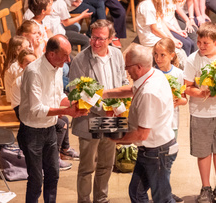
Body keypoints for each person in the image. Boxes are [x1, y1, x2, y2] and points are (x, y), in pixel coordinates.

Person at [102, 43, 178, 202]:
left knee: (162, 198)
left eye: (127, 66)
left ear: (138, 67)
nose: (126, 70)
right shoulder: (153, 74)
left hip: (158, 152)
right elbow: (131, 90)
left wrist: (116, 139)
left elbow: (142, 133)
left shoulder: (149, 93)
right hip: (149, 150)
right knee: (136, 193)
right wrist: (104, 93)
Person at [17, 34, 88, 203]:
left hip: (49, 129)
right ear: (51, 54)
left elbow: (57, 96)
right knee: (35, 179)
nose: (69, 59)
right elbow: (36, 109)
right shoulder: (34, 72)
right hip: (31, 131)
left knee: (53, 174)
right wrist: (66, 112)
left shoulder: (57, 68)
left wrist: (74, 103)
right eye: (65, 55)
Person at [69, 19, 128, 203]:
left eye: (101, 39)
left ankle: (101, 199)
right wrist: (104, 108)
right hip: (90, 118)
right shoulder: (80, 60)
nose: (95, 42)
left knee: (106, 163)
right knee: (87, 167)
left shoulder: (118, 55)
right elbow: (75, 92)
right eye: (93, 37)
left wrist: (120, 106)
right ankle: (84, 201)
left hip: (113, 115)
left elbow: (123, 82)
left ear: (111, 38)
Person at [12, 48, 77, 171]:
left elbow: (50, 96)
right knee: (61, 125)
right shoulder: (23, 79)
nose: (31, 65)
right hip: (24, 112)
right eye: (27, 63)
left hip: (37, 110)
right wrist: (60, 111)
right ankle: (55, 156)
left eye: (34, 62)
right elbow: (33, 108)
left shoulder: (40, 74)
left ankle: (64, 150)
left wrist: (71, 103)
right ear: (21, 65)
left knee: (64, 121)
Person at [184, 22, 216, 203]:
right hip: (200, 112)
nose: (202, 46)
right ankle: (206, 188)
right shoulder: (192, 60)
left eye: (206, 43)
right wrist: (204, 93)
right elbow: (187, 87)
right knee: (204, 152)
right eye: (199, 42)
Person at [153, 38, 187, 203]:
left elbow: (185, 99)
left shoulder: (179, 74)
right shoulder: (152, 73)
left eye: (162, 55)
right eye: (156, 55)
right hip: (155, 125)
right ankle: (159, 192)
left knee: (167, 161)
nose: (158, 59)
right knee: (156, 160)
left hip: (172, 124)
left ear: (172, 55)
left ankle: (165, 191)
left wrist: (177, 100)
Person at [136, 0, 187, 69]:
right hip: (151, 39)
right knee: (179, 53)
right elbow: (154, 29)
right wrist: (170, 40)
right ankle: (186, 76)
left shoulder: (157, 3)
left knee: (183, 48)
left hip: (158, 36)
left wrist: (172, 38)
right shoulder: (147, 5)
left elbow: (161, 23)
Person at [3, 36, 30, 102]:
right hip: (15, 101)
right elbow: (21, 86)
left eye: (29, 47)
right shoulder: (15, 67)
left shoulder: (17, 62)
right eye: (26, 48)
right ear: (16, 51)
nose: (29, 50)